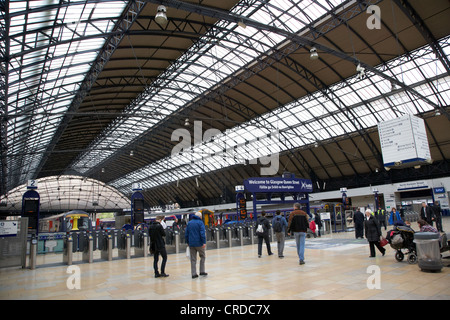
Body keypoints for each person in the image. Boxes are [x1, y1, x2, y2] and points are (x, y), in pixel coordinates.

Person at [185, 212, 207, 279]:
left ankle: (194, 274)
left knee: (193, 259)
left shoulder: (189, 223)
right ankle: (202, 271)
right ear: (200, 217)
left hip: (191, 243)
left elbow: (186, 234)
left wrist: (188, 242)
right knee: (202, 256)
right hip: (199, 243)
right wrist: (204, 242)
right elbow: (202, 233)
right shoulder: (200, 223)